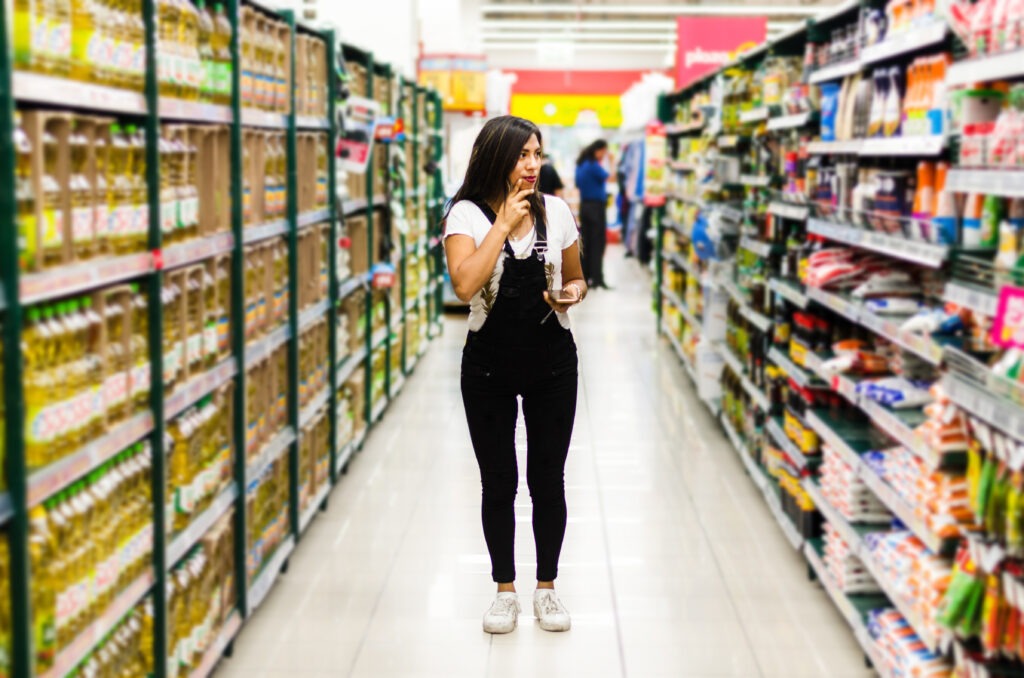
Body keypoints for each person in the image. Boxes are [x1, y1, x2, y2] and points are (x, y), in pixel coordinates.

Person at [443, 115, 587, 635]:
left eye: (537, 155)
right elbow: (464, 285)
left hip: (552, 361)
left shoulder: (558, 212)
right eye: (522, 155)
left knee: (548, 480)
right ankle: (504, 590)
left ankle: (546, 588)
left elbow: (577, 279)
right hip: (488, 365)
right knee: (498, 480)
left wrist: (570, 294)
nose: (532, 165)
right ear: (496, 156)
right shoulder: (465, 215)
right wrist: (502, 225)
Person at [574, 139, 610, 288]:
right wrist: (611, 161)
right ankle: (597, 279)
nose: (604, 154)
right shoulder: (594, 165)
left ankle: (586, 275)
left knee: (586, 243)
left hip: (585, 207)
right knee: (597, 243)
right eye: (604, 151)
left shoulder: (580, 164)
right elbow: (609, 176)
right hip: (596, 208)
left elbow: (577, 184)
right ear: (598, 150)